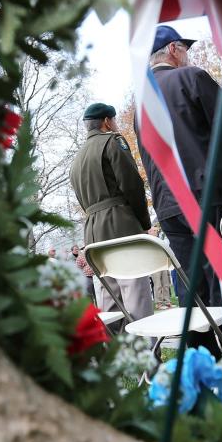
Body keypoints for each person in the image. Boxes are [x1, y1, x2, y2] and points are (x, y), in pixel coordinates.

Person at [134, 26, 222, 353]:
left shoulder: (140, 104)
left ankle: (204, 363)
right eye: (184, 48)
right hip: (208, 193)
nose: (186, 54)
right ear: (173, 49)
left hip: (170, 206)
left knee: (195, 290)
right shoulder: (192, 78)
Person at [69, 102, 153, 322]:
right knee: (135, 293)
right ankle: (145, 353)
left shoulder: (76, 159)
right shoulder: (112, 141)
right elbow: (132, 186)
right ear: (107, 121)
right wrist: (144, 223)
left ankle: (118, 353)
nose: (116, 125)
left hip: (93, 232)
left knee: (109, 297)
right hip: (121, 224)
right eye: (114, 120)